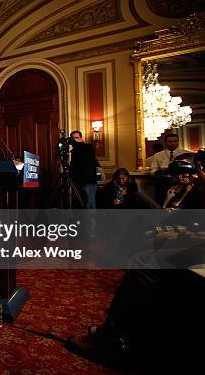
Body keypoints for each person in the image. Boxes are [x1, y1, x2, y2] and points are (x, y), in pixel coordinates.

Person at [65, 158, 205, 371]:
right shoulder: (184, 188)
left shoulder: (197, 189)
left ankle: (115, 339)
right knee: (139, 226)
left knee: (144, 259)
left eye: (198, 171)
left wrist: (187, 231)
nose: (194, 175)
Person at [150, 133, 191, 205]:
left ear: (178, 142)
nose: (173, 143)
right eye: (170, 141)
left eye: (175, 141)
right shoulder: (158, 155)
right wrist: (160, 170)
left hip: (181, 182)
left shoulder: (186, 153)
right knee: (162, 202)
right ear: (165, 142)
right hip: (163, 182)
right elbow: (152, 170)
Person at [69, 130, 100, 209]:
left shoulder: (88, 147)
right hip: (79, 182)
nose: (75, 140)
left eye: (77, 138)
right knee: (80, 205)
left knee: (90, 205)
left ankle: (91, 221)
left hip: (88, 181)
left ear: (81, 138)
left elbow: (87, 160)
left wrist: (76, 146)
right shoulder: (74, 150)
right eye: (73, 138)